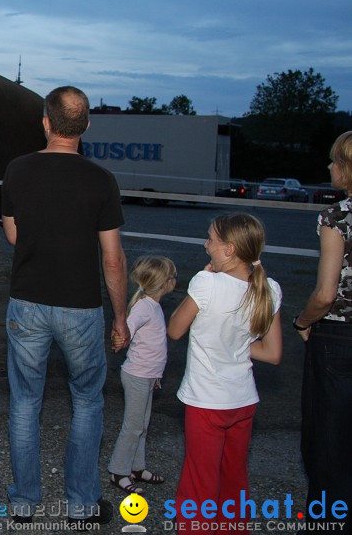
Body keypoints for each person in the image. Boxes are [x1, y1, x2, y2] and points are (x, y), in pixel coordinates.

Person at [1, 85, 128, 525]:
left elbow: (14, 236)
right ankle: (80, 505)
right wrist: (121, 317)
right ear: (86, 126)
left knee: (24, 402)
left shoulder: (17, 171)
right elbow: (112, 258)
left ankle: (23, 504)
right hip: (80, 307)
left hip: (27, 303)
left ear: (46, 122)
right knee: (88, 401)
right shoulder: (101, 180)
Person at [167, 213, 282, 533]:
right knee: (234, 478)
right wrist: (234, 345)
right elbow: (272, 354)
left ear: (229, 250)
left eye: (211, 240)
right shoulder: (269, 288)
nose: (206, 246)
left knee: (199, 482)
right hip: (243, 399)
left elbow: (175, 329)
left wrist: (199, 285)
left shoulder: (207, 283)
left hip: (207, 401)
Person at [292, 130, 352, 531]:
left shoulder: (337, 216)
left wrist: (302, 321)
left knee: (329, 446)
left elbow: (326, 294)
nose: (329, 167)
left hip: (339, 340)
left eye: (334, 161)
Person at [108, 255, 176, 494]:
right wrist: (120, 339)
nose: (174, 281)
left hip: (146, 376)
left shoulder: (153, 305)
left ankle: (137, 467)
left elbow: (153, 346)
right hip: (136, 376)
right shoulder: (144, 306)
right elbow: (128, 327)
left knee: (142, 425)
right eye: (172, 277)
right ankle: (118, 471)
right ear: (164, 283)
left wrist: (155, 375)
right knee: (133, 425)